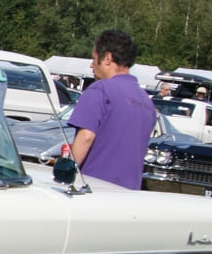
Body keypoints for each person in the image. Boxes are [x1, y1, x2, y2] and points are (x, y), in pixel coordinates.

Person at [65, 29, 157, 190]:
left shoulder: (100, 90)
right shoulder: (146, 102)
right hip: (129, 193)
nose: (91, 65)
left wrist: (65, 173)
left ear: (107, 58)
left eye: (93, 59)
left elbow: (86, 137)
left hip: (95, 188)